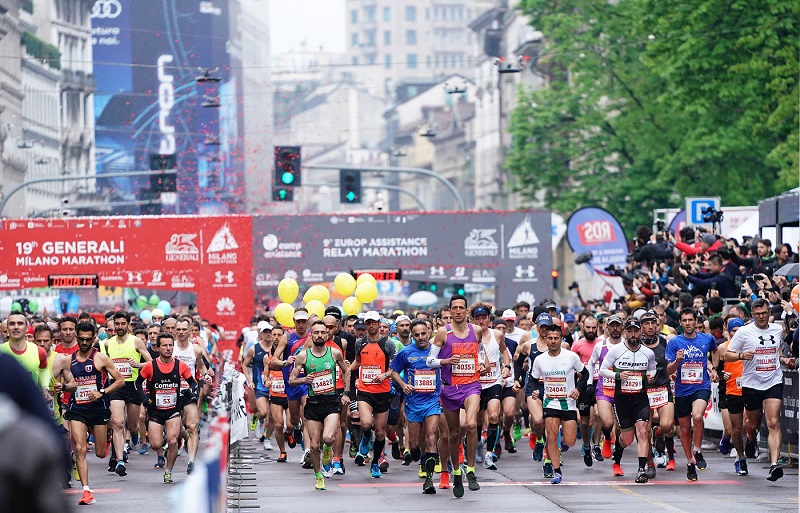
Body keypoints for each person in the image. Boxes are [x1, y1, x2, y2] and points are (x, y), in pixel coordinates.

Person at [725, 298, 796, 481]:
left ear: (769, 313)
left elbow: (777, 352)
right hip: (752, 384)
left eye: (764, 313)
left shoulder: (777, 329)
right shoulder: (744, 332)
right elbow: (727, 355)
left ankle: (774, 464)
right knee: (752, 424)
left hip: (773, 381)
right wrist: (742, 355)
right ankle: (751, 439)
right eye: (757, 314)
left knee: (773, 422)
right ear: (752, 315)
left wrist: (783, 360)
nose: (761, 317)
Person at [426, 294, 485, 497]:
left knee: (471, 424)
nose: (458, 311)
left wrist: (481, 364)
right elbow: (429, 361)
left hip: (471, 385)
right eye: (455, 308)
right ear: (450, 311)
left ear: (467, 310)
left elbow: (480, 352)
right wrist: (445, 361)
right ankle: (457, 472)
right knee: (453, 434)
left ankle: (471, 470)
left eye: (461, 307)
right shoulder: (443, 332)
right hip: (450, 388)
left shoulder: (476, 330)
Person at [65, 321, 124, 505]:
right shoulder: (68, 360)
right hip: (78, 409)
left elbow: (120, 381)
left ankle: (106, 438)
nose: (84, 343)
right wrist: (62, 387)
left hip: (98, 409)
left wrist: (102, 392)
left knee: (100, 453)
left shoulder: (101, 358)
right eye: (81, 339)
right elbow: (65, 382)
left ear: (94, 338)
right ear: (76, 337)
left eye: (88, 339)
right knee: (80, 449)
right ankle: (86, 491)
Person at [288, 321, 350, 491]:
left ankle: (328, 451)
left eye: (323, 332)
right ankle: (318, 477)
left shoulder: (334, 353)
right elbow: (291, 380)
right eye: (316, 332)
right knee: (314, 446)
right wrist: (303, 380)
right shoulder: (303, 356)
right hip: (313, 403)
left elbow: (346, 371)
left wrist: (346, 393)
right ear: (311, 334)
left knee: (328, 438)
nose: (320, 335)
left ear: (327, 334)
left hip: (331, 402)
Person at [599, 318, 657, 483]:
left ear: (640, 332)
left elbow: (652, 370)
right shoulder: (616, 350)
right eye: (630, 331)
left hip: (641, 399)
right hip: (622, 400)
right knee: (628, 439)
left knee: (643, 432)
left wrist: (651, 377)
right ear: (625, 332)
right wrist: (617, 375)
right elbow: (602, 370)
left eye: (636, 331)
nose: (633, 334)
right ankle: (617, 452)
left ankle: (641, 470)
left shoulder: (648, 353)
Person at [666, 308, 721, 481]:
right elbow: (668, 370)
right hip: (682, 390)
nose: (688, 323)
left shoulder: (707, 339)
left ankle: (697, 450)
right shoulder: (674, 342)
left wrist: (714, 369)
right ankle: (690, 462)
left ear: (696, 321)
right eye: (684, 320)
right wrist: (677, 361)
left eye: (690, 320)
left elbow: (716, 351)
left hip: (701, 386)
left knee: (697, 416)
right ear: (680, 323)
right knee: (684, 429)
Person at [530, 324, 588, 483]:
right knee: (551, 438)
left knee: (570, 441)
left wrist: (578, 389)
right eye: (550, 338)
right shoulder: (540, 360)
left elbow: (585, 373)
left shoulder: (571, 357)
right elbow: (533, 379)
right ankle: (556, 471)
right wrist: (535, 391)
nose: (553, 341)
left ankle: (562, 436)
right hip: (550, 403)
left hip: (568, 403)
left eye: (556, 338)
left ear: (561, 339)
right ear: (545, 339)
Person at [137, 332, 198, 484]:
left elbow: (193, 383)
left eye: (171, 345)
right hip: (155, 411)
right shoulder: (150, 366)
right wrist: (144, 398)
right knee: (155, 444)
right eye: (165, 345)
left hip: (173, 410)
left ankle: (168, 471)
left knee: (172, 442)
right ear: (158, 348)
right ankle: (181, 434)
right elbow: (137, 383)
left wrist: (190, 391)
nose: (168, 348)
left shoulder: (180, 365)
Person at [390, 319, 442, 494]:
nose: (421, 337)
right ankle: (417, 454)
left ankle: (429, 480)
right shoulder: (406, 352)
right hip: (413, 403)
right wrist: (403, 384)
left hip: (432, 401)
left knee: (431, 437)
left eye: (423, 333)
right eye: (417, 335)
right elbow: (393, 371)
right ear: (412, 336)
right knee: (415, 445)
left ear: (429, 332)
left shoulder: (436, 351)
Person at [102, 311, 152, 476]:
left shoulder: (136, 341)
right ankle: (119, 460)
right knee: (117, 423)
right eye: (117, 324)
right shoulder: (108, 343)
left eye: (123, 324)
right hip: (116, 386)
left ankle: (135, 433)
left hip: (132, 386)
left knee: (132, 425)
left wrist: (137, 364)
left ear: (128, 325)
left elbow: (151, 363)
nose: (120, 327)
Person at [350, 311, 396, 477]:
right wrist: (347, 368)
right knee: (365, 423)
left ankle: (375, 463)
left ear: (378, 323)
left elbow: (394, 368)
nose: (371, 326)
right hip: (365, 391)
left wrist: (385, 375)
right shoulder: (360, 343)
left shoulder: (388, 344)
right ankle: (365, 436)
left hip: (383, 392)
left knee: (380, 432)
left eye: (374, 322)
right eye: (368, 323)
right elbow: (358, 362)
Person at [472, 303, 511, 469]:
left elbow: (504, 351)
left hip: (494, 381)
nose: (481, 321)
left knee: (494, 416)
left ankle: (489, 453)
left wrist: (507, 366)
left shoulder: (497, 334)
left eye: (484, 318)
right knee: (477, 420)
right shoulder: (469, 336)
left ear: (489, 319)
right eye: (477, 318)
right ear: (472, 320)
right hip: (475, 384)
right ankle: (478, 443)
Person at [173, 318, 212, 474]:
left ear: (190, 331)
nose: (181, 332)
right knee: (175, 428)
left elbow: (201, 366)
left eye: (184, 329)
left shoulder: (195, 349)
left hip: (189, 391)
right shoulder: (170, 348)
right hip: (171, 392)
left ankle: (191, 462)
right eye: (179, 329)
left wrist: (206, 375)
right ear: (175, 331)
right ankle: (184, 438)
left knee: (192, 426)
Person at [640, 310, 676, 473]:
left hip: (662, 388)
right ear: (641, 327)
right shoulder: (636, 345)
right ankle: (650, 464)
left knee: (667, 426)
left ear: (658, 325)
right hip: (643, 392)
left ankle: (659, 432)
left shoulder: (665, 342)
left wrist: (677, 362)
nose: (650, 326)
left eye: (652, 323)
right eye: (646, 323)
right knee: (644, 432)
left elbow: (670, 369)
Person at [720, 318, 748, 475]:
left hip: (749, 389)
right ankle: (740, 457)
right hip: (730, 390)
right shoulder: (723, 348)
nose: (736, 334)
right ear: (728, 332)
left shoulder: (750, 345)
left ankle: (748, 445)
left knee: (748, 426)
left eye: (739, 331)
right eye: (733, 331)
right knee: (732, 429)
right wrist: (721, 374)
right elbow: (715, 368)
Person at [243, 321, 274, 451]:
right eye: (265, 332)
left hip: (275, 386)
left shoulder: (278, 348)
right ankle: (260, 422)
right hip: (260, 386)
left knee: (272, 417)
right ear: (260, 333)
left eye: (270, 332)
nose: (268, 334)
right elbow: (244, 365)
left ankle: (267, 439)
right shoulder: (254, 348)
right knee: (263, 412)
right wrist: (249, 380)